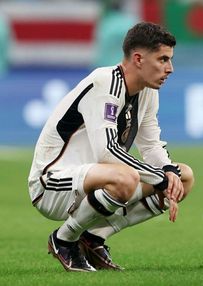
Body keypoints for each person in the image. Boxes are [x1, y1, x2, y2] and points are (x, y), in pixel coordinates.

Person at [28, 22, 194, 272]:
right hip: (51, 184)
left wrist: (168, 172)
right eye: (163, 59)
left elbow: (151, 145)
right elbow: (107, 152)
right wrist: (158, 177)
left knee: (184, 177)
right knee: (126, 177)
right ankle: (64, 239)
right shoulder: (105, 82)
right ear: (138, 58)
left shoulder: (147, 91)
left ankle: (93, 238)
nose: (170, 68)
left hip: (92, 180)